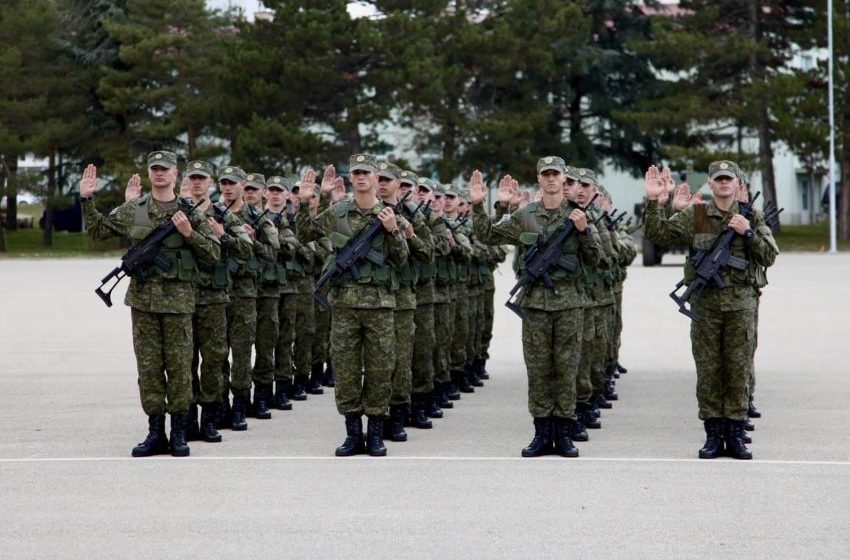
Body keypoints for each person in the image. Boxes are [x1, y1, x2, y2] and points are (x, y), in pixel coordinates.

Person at [79, 151, 220, 457]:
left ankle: (179, 432)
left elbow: (213, 254)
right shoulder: (135, 209)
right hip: (143, 303)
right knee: (149, 369)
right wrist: (88, 201)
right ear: (148, 173)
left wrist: (189, 234)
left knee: (181, 369)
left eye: (165, 169)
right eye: (154, 169)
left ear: (175, 174)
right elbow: (98, 231)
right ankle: (155, 431)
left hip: (179, 304)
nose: (159, 173)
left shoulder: (190, 211)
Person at [643, 160, 779, 460]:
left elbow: (769, 255)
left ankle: (736, 434)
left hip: (740, 307)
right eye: (718, 179)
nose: (724, 183)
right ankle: (714, 435)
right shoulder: (699, 215)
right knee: (708, 371)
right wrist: (654, 201)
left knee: (738, 370)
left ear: (735, 183)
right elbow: (658, 234)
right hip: (706, 307)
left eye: (728, 178)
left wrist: (748, 233)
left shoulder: (749, 215)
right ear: (710, 183)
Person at [469, 157, 602, 457]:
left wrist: (585, 232)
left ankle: (564, 434)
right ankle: (542, 433)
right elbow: (487, 235)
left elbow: (597, 260)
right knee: (539, 370)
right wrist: (481, 206)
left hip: (569, 305)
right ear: (539, 179)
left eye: (557, 174)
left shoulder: (578, 215)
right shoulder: (525, 215)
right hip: (536, 306)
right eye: (546, 174)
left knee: (567, 370)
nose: (552, 179)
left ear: (564, 178)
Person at [296, 154, 408, 457]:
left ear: (375, 177)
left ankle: (375, 433)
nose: (360, 177)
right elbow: (304, 233)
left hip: (380, 305)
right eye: (356, 172)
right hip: (344, 305)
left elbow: (402, 260)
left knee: (380, 369)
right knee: (345, 369)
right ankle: (352, 433)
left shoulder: (389, 214)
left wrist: (395, 231)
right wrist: (308, 202)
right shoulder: (338, 211)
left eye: (366, 173)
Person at [186, 160, 252, 443]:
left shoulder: (222, 215)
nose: (197, 183)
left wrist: (223, 236)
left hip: (214, 298)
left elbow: (247, 250)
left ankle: (210, 418)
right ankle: (186, 418)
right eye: (193, 178)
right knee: (184, 362)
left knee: (213, 360)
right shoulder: (177, 212)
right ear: (187, 182)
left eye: (202, 179)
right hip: (184, 298)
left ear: (209, 183)